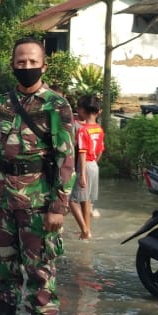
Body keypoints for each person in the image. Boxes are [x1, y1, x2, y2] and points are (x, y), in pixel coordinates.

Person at [0, 37, 76, 315]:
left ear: (43, 65)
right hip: (2, 201)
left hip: (39, 202)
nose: (26, 67)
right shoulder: (1, 103)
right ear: (12, 64)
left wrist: (58, 207)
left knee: (40, 269)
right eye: (20, 62)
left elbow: (67, 159)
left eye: (32, 62)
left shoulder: (56, 105)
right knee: (3, 265)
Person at [69, 95, 105, 240]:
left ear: (82, 111)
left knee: (72, 201)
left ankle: (84, 230)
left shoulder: (83, 130)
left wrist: (82, 173)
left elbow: (82, 153)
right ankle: (87, 230)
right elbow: (100, 150)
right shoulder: (98, 129)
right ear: (99, 111)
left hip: (85, 166)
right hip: (94, 165)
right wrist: (94, 163)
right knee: (87, 200)